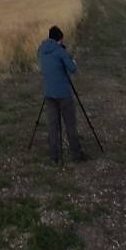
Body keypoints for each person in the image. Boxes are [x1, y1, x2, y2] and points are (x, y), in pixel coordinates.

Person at [38, 25, 86, 164]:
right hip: (63, 93)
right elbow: (72, 69)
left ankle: (54, 157)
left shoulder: (41, 49)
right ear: (59, 39)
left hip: (48, 93)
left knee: (53, 126)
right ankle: (76, 155)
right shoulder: (60, 51)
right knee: (70, 124)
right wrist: (72, 60)